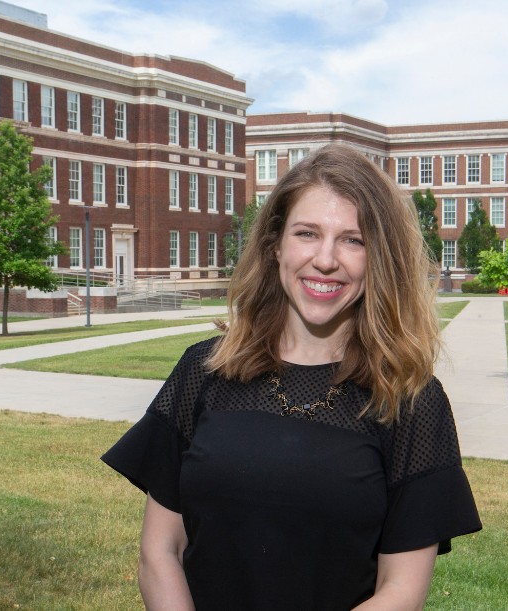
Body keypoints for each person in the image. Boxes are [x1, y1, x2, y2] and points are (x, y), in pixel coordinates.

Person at [102, 144, 481, 610]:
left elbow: (401, 592)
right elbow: (159, 552)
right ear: (275, 244)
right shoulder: (203, 372)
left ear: (379, 259)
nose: (325, 259)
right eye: (307, 233)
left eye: (353, 240)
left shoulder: (410, 401)